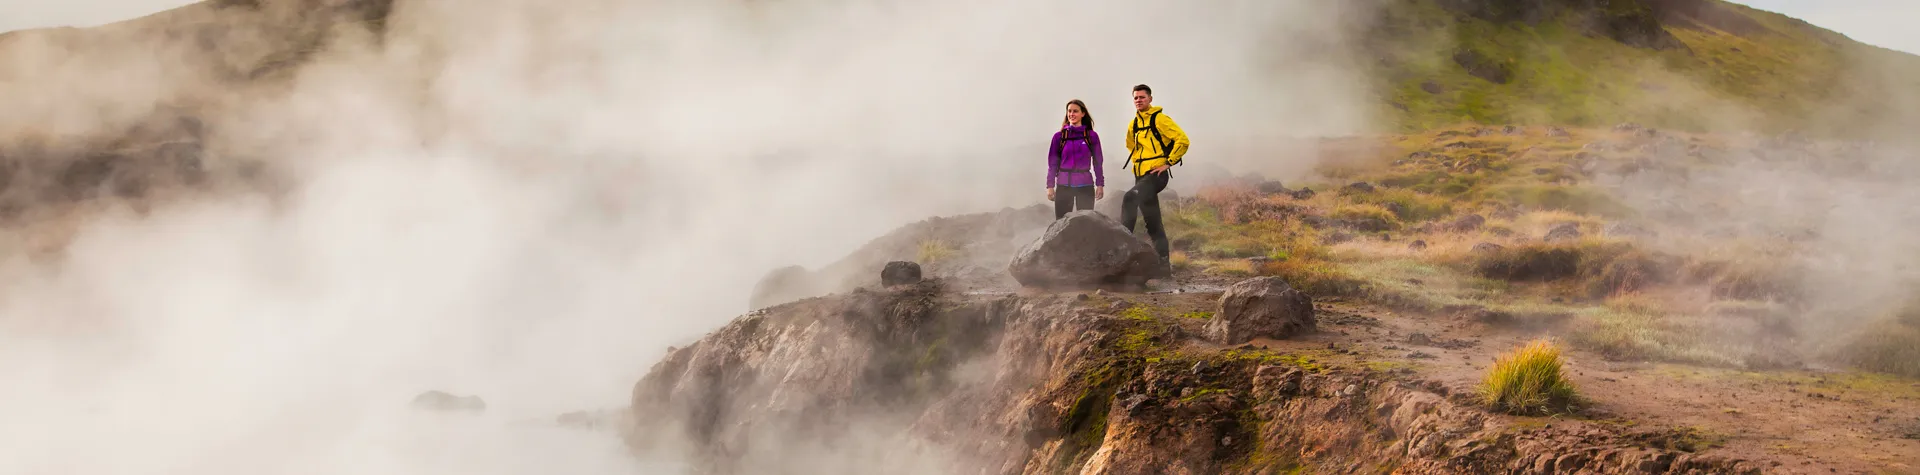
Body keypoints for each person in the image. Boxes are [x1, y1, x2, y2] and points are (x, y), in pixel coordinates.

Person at [1120, 84, 1190, 269]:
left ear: (1150, 99)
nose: (1138, 100)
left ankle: (1120, 248)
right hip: (1141, 176)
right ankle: (1164, 266)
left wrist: (1168, 162)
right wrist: (1138, 163)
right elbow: (1130, 145)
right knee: (1153, 221)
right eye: (1135, 97)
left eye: (1142, 97)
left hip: (1156, 175)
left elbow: (1183, 140)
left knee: (1130, 197)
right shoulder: (1133, 124)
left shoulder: (1160, 119)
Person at [1046, 99, 1105, 219]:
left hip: (1085, 185)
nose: (1071, 114)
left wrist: (1100, 184)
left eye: (1075, 111)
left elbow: (1098, 162)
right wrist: (1050, 186)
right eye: (1069, 111)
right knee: (1061, 224)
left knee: (1087, 223)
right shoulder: (1059, 137)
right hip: (1064, 185)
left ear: (1083, 113)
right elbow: (1053, 163)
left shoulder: (1091, 136)